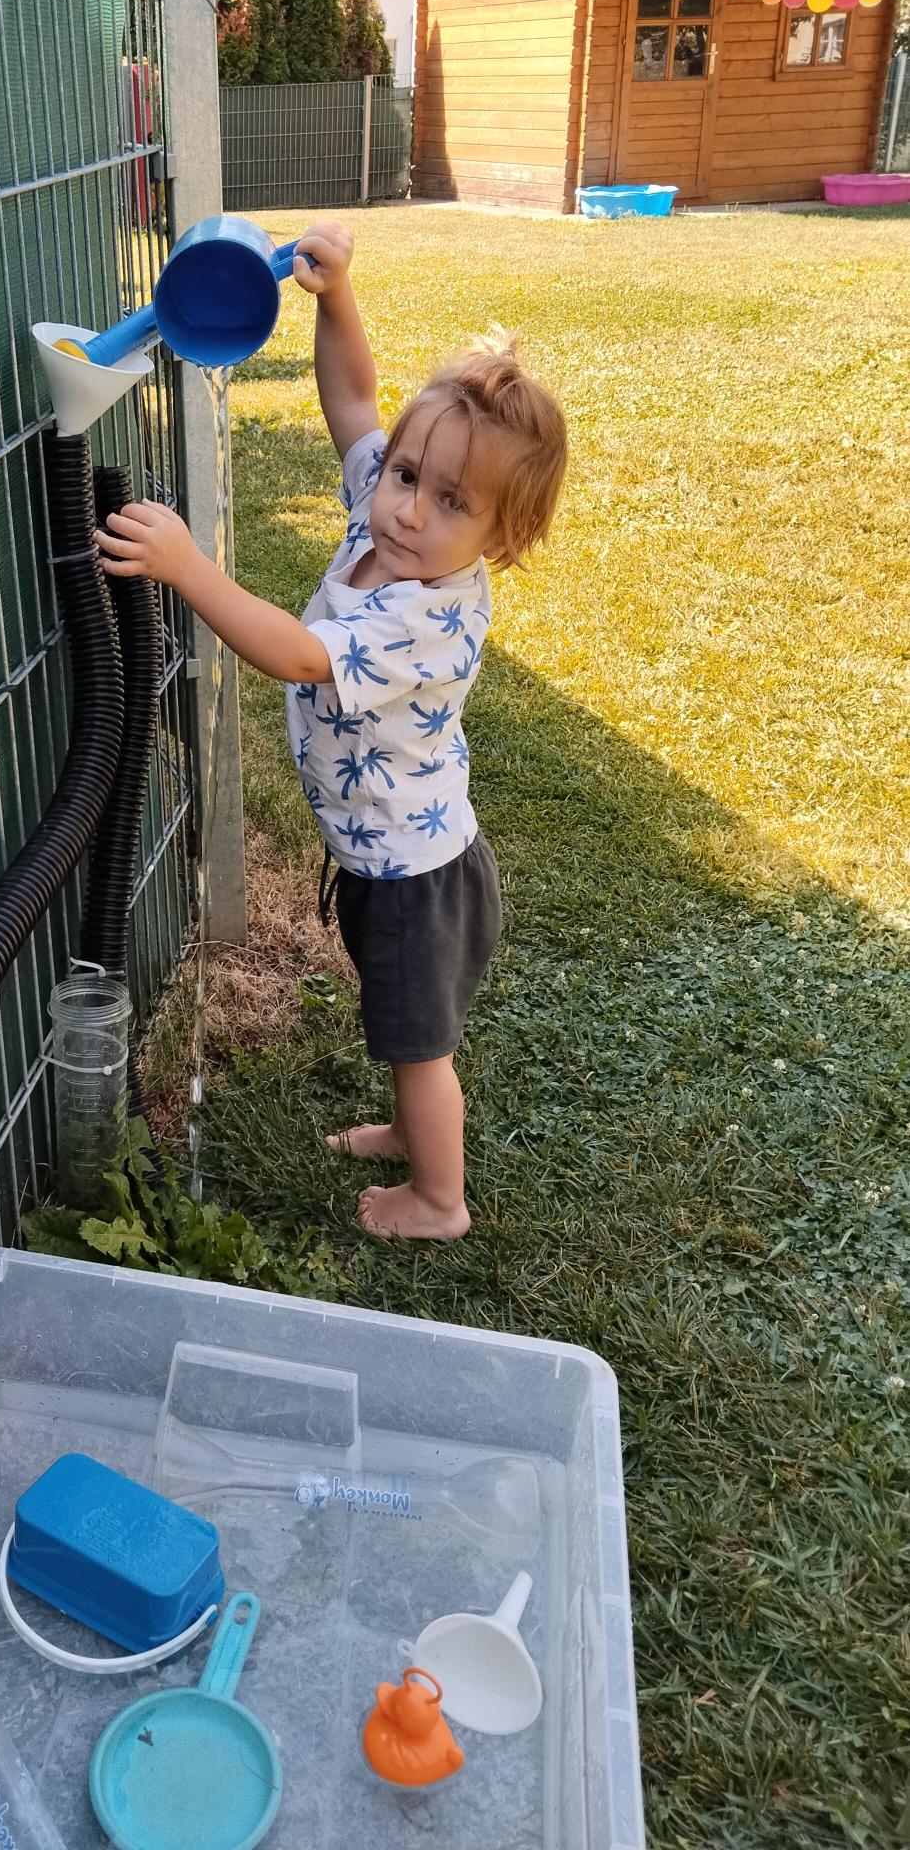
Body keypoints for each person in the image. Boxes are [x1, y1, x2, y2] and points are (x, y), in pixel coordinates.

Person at [95, 219, 567, 1241]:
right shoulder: (381, 524)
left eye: (452, 502)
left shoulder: (430, 619)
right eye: (406, 475)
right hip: (381, 858)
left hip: (417, 881)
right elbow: (353, 401)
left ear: (502, 537)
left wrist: (190, 570)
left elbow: (301, 655)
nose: (409, 510)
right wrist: (337, 296)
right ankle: (407, 1135)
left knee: (418, 1046)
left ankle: (438, 1200)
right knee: (400, 1028)